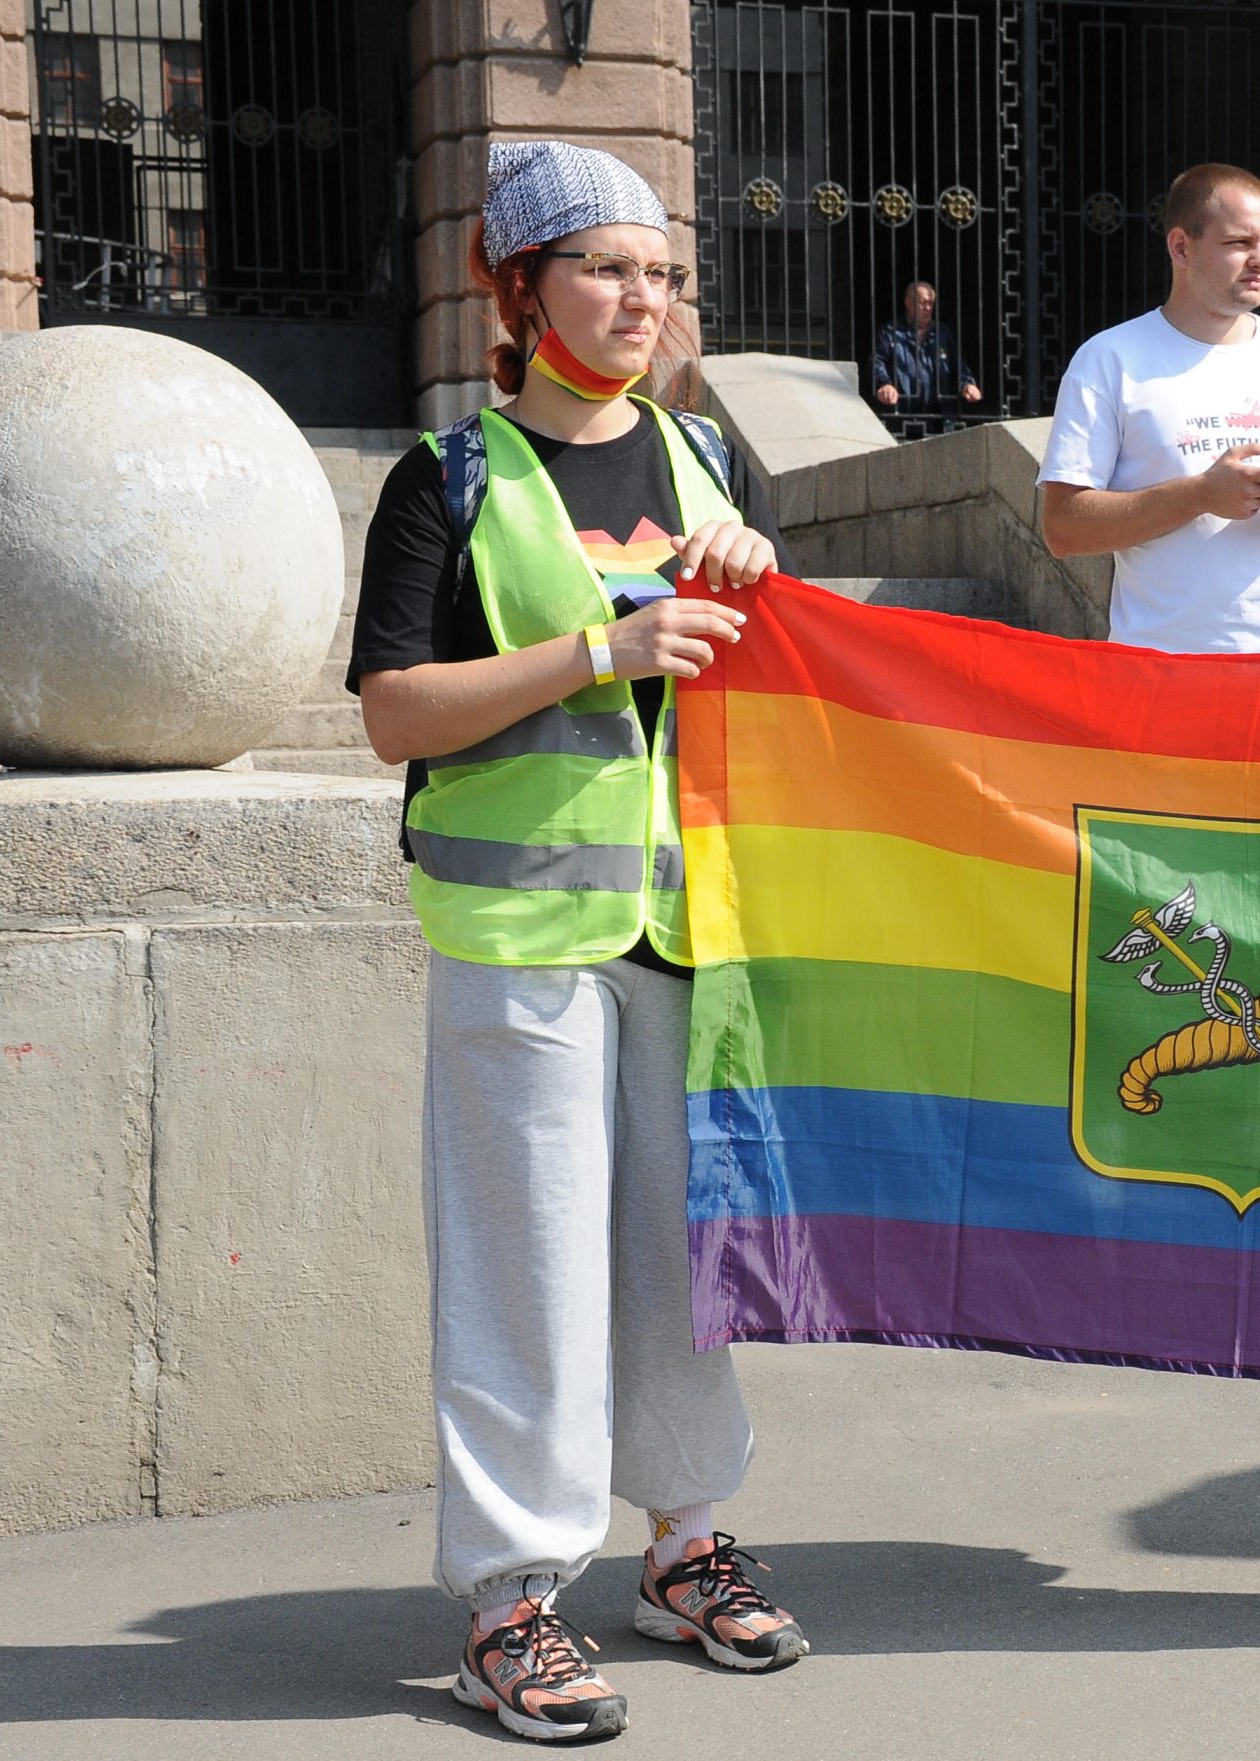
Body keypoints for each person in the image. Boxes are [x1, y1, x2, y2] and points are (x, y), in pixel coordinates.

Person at [350, 141, 807, 1743]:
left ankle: (684, 1540)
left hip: (687, 932)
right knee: (527, 1263)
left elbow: (778, 690)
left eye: (662, 271)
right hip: (519, 931)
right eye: (607, 266)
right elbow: (393, 711)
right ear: (517, 281)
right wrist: (598, 646)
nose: (643, 298)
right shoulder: (451, 476)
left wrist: (763, 579)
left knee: (687, 1260)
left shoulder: (707, 457)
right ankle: (512, 1598)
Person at [1036, 162, 1260, 653]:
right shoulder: (1111, 359)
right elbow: (1062, 528)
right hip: (1166, 670)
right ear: (1181, 246)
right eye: (1239, 244)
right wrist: (1201, 494)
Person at [870, 279, 982, 422]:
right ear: (908, 303)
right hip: (902, 414)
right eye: (922, 303)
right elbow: (877, 361)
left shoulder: (943, 333)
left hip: (941, 416)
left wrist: (967, 383)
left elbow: (957, 362)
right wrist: (884, 384)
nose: (927, 308)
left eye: (930, 303)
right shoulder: (890, 332)